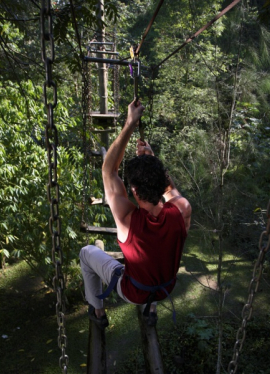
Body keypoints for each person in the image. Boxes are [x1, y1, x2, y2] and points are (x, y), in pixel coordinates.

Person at [79, 99, 192, 327]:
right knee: (158, 255)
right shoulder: (182, 211)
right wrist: (151, 160)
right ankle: (151, 309)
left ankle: (98, 313)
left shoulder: (127, 221)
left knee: (86, 252)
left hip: (134, 292)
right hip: (165, 288)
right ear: (163, 183)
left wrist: (130, 124)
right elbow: (170, 190)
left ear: (133, 190)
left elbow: (108, 170)